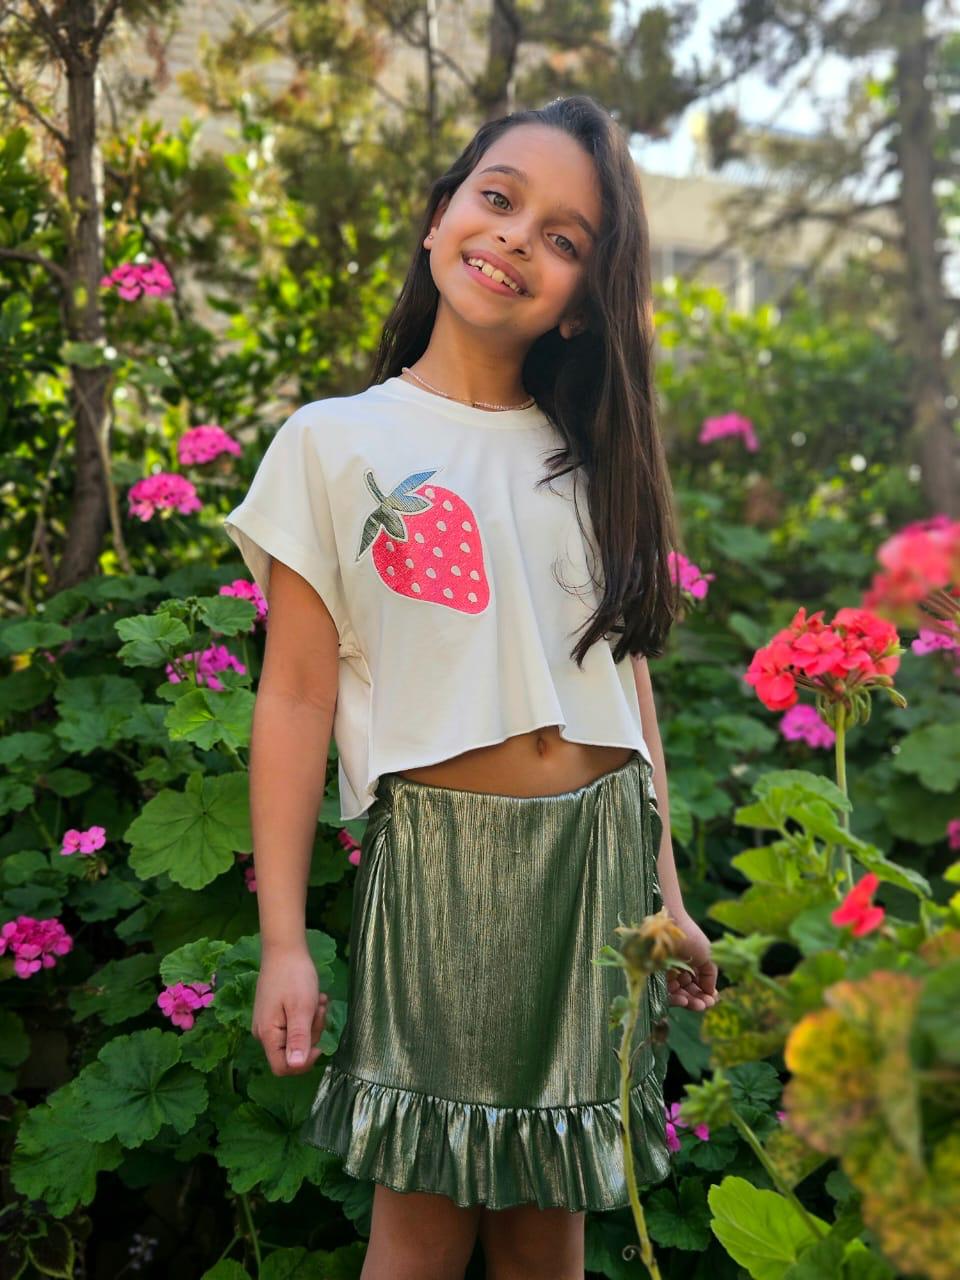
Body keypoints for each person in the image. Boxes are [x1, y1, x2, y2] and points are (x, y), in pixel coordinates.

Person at [222, 93, 719, 1280]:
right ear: (441, 214)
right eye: (499, 199)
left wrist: (667, 895)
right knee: (424, 1223)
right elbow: (294, 699)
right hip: (442, 866)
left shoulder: (589, 463)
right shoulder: (334, 441)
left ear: (584, 299)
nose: (515, 238)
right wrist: (284, 940)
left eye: (563, 237)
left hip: (596, 866)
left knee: (551, 1225)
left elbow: (626, 687)